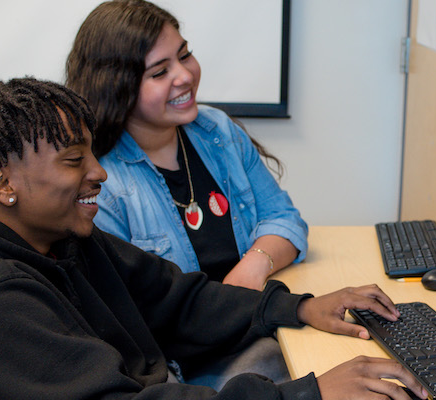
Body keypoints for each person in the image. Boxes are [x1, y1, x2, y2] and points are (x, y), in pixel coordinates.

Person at [0, 77, 426, 400]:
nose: (100, 174)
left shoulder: (61, 241)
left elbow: (180, 300)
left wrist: (298, 308)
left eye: (93, 155)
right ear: (0, 184)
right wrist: (305, 395)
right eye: (73, 161)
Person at [65, 0, 305, 290]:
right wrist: (229, 305)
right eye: (159, 72)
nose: (186, 76)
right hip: (184, 334)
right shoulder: (99, 183)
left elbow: (283, 218)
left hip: (256, 314)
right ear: (116, 88)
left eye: (185, 55)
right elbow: (129, 303)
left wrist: (254, 264)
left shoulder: (217, 129)